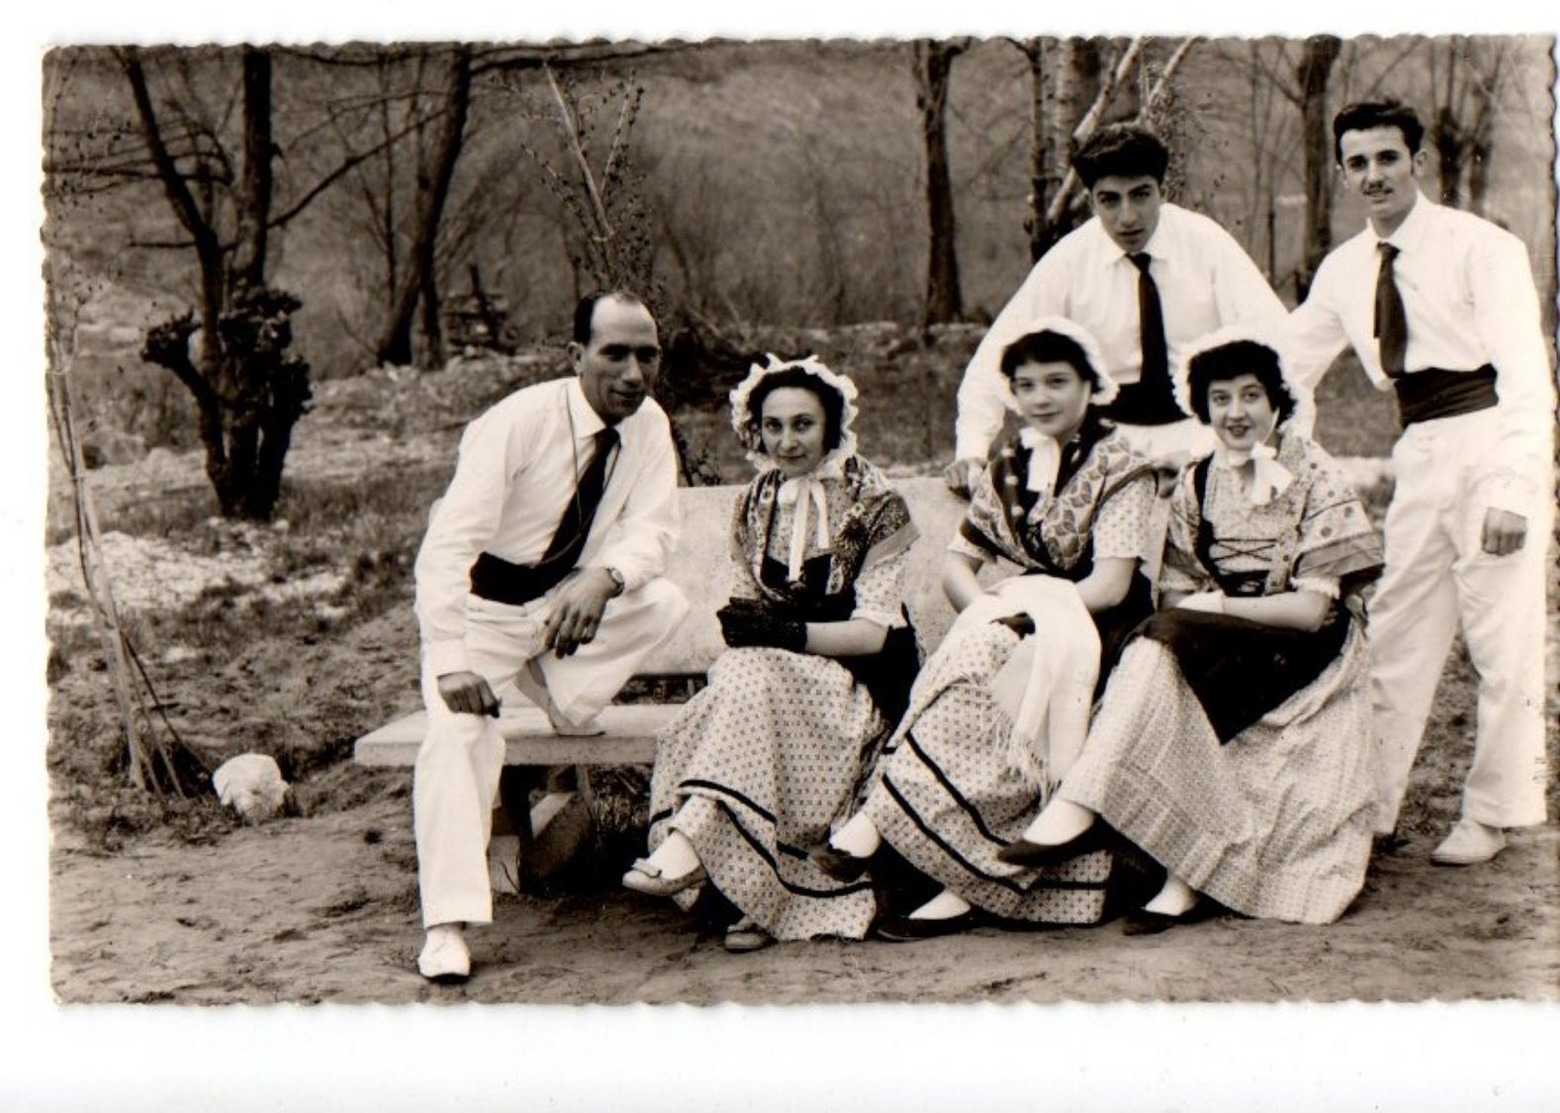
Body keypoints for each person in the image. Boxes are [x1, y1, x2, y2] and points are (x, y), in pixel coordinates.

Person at [1001, 329, 1385, 931]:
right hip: (1227, 640)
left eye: (1251, 396)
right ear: (1203, 409)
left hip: (1305, 649)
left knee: (1164, 640)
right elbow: (1177, 589)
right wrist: (1210, 611)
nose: (1236, 413)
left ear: (1277, 402)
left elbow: (1311, 612)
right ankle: (1135, 843)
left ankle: (1085, 811)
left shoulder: (1315, 475)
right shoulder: (1198, 480)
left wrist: (1223, 607)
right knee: (1156, 645)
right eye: (1220, 399)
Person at [814, 319, 1156, 939]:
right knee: (971, 676)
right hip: (1016, 617)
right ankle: (934, 860)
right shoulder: (1011, 459)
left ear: (1090, 385)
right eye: (1026, 386)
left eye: (1058, 381)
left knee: (991, 674)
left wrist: (1029, 617)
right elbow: (957, 565)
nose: (1042, 398)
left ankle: (904, 845)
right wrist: (992, 613)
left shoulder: (1122, 465)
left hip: (1100, 625)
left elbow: (1111, 585)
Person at [1283, 98, 1556, 866]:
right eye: (1358, 163)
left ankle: (1496, 810)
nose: (1374, 175)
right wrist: (1282, 456)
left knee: (1502, 639)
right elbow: (1283, 369)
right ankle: (1369, 805)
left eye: (1387, 159)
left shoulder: (1482, 248)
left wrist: (1512, 487)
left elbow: (1528, 377)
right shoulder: (1343, 271)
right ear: (1342, 174)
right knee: (1398, 628)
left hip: (1492, 435)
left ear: (1418, 162)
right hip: (1422, 450)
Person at [411, 291, 688, 981]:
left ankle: (561, 685)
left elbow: (655, 529)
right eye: (613, 354)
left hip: (559, 608)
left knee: (662, 599)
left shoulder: (649, 424)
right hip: (484, 613)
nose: (632, 373)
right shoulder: (518, 422)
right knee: (460, 734)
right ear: (576, 356)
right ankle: (448, 922)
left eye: (646, 355)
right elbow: (446, 546)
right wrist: (449, 662)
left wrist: (604, 578)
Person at [622, 356, 920, 952]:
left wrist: (784, 635)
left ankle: (692, 847)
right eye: (773, 426)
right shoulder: (756, 502)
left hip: (858, 682)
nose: (787, 441)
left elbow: (873, 636)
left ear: (831, 426)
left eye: (803, 425)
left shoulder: (874, 500)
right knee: (744, 677)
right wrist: (749, 629)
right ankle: (759, 895)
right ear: (755, 428)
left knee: (748, 677)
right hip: (771, 686)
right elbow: (747, 608)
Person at [946, 123, 1287, 497]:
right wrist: (972, 450)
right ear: (1092, 201)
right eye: (1110, 200)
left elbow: (1280, 342)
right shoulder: (1070, 260)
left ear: (1163, 191)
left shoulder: (1206, 244)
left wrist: (1289, 437)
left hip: (1203, 436)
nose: (1127, 217)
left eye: (1140, 195)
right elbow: (997, 355)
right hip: (1104, 445)